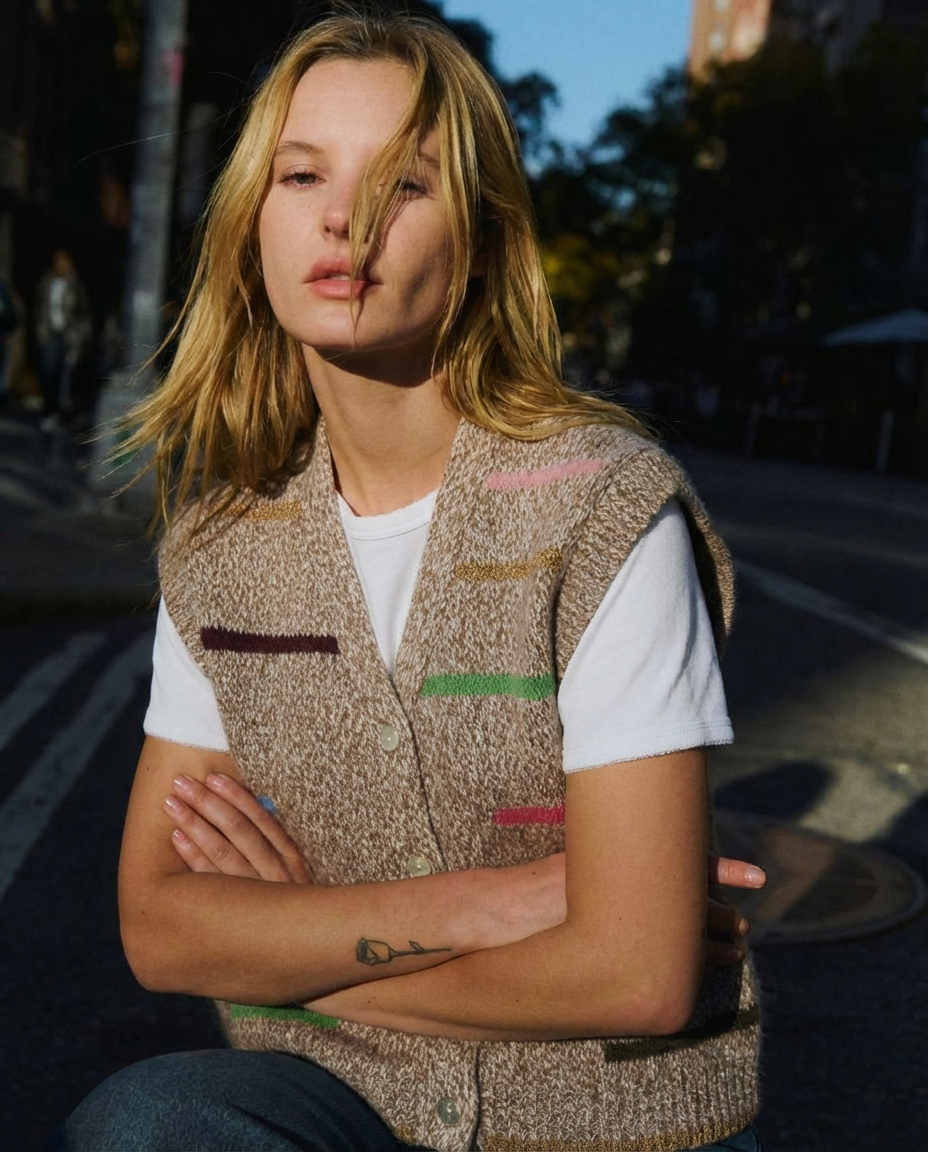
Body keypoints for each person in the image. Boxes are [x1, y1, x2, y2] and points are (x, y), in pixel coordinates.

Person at [50, 12, 764, 1152]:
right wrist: (494, 903)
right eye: (302, 175)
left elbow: (637, 975)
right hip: (341, 1100)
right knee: (144, 1122)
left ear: (479, 241)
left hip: (606, 1118)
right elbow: (161, 930)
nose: (346, 217)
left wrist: (281, 955)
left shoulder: (604, 508)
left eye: (405, 184)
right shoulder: (223, 546)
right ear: (251, 225)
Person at [33, 248, 91, 431]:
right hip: (50, 334)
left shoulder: (75, 286)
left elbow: (82, 313)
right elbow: (40, 307)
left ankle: (63, 414)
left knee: (66, 376)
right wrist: (40, 331)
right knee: (49, 371)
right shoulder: (47, 283)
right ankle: (49, 411)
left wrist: (80, 336)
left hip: (69, 335)